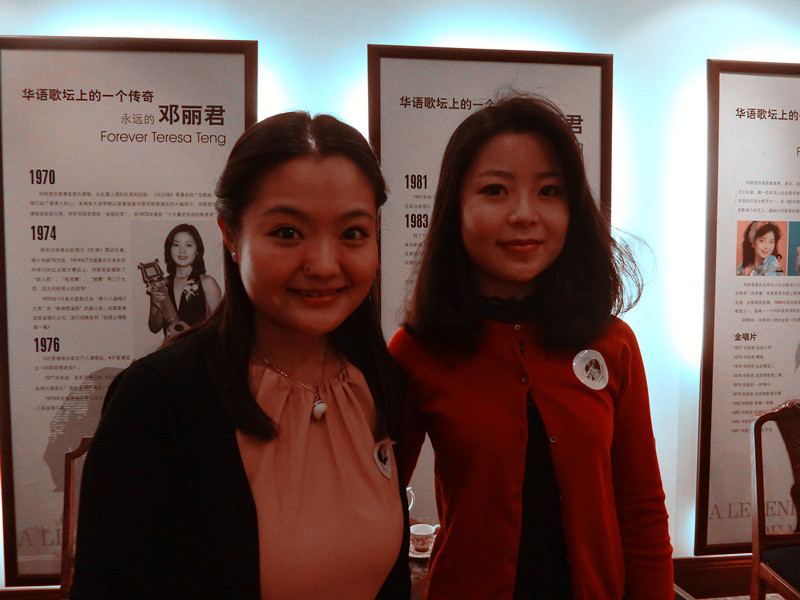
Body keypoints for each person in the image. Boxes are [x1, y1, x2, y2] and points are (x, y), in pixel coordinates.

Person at [72, 111, 410, 599]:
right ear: (231, 234)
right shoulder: (159, 399)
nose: (324, 264)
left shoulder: (377, 379)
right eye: (288, 233)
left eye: (353, 233)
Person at [389, 95, 673, 600]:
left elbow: (642, 510)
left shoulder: (612, 343)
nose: (524, 214)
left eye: (548, 191)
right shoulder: (418, 350)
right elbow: (379, 507)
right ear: (455, 208)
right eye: (495, 190)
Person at [146, 223, 222, 335]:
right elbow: (154, 327)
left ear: (198, 250)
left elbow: (220, 326)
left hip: (199, 345)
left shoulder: (207, 282)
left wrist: (191, 334)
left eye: (188, 245)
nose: (182, 250)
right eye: (176, 245)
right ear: (169, 249)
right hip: (171, 346)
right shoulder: (163, 284)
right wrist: (156, 305)